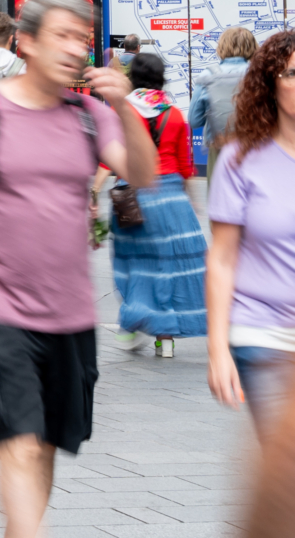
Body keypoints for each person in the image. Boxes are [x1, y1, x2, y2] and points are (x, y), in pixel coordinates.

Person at [0, 0, 158, 538]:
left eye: (82, 38)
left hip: (72, 313)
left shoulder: (91, 115)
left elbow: (142, 174)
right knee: (19, 444)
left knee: (46, 447)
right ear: (25, 42)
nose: (75, 49)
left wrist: (124, 103)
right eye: (62, 36)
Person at [208, 30, 295, 435]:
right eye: (292, 74)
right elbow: (222, 259)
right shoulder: (239, 159)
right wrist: (217, 350)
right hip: (263, 334)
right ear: (271, 84)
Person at [100, 52, 205, 357]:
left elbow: (112, 155)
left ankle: (132, 321)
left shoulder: (124, 110)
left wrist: (95, 190)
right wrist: (190, 201)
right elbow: (186, 165)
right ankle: (166, 336)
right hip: (171, 198)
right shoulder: (174, 113)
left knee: (131, 263)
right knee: (168, 267)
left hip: (131, 197)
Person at [191, 26, 257, 178]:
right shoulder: (259, 73)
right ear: (252, 47)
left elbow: (194, 121)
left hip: (219, 147)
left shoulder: (208, 75)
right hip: (254, 147)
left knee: (219, 197)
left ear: (222, 46)